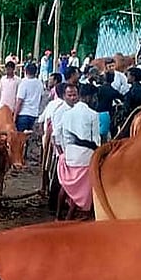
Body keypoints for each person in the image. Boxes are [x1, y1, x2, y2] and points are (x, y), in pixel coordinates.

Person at [52, 83, 100, 213]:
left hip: (69, 155)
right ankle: (69, 218)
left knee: (65, 187)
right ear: (89, 98)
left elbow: (56, 135)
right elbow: (96, 140)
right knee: (79, 188)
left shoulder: (67, 113)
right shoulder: (93, 114)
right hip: (86, 157)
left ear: (79, 96)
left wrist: (61, 153)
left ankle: (58, 216)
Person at [14, 62, 44, 134]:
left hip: (23, 114)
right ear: (36, 72)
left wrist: (15, 116)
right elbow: (41, 98)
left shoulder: (24, 82)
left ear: (25, 71)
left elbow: (19, 101)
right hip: (34, 114)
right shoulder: (40, 83)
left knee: (20, 138)